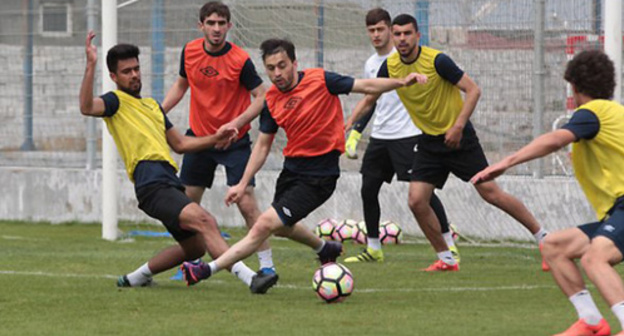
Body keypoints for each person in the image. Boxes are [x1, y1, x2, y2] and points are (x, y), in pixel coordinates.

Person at [178, 38, 428, 292]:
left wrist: (401, 82)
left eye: (282, 65)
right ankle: (324, 247)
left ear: (294, 63)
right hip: (292, 171)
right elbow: (263, 145)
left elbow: (365, 85)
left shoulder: (321, 80)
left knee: (264, 224)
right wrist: (242, 184)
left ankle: (206, 269)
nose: (278, 73)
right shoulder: (272, 100)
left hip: (320, 175)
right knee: (282, 228)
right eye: (271, 68)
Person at [347, 14, 548, 272]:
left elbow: (473, 90)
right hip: (429, 143)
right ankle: (447, 259)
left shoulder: (437, 60)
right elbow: (369, 98)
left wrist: (458, 126)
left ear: (418, 36)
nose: (402, 39)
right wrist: (348, 125)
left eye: (407, 33)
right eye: (397, 34)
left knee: (490, 194)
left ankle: (544, 239)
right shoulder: (391, 66)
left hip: (459, 139)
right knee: (417, 201)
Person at [79, 31, 276, 293]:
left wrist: (215, 138)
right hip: (151, 183)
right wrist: (91, 65)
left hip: (168, 182)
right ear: (114, 77)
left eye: (137, 68)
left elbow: (181, 144)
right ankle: (251, 278)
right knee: (205, 220)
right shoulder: (116, 102)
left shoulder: (152, 107)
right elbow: (86, 107)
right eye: (126, 71)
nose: (134, 75)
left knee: (195, 247)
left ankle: (136, 277)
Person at [472, 49, 624, 336]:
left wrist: (506, 163)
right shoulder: (613, 115)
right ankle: (592, 322)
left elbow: (555, 139)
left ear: (575, 87)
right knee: (554, 246)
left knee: (594, 257)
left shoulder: (592, 114)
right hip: (615, 212)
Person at [161, 1, 276, 276]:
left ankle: (267, 266)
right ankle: (191, 261)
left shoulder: (239, 60)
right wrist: (158, 112)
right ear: (201, 25)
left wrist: (236, 124)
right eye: (210, 23)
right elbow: (181, 84)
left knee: (247, 204)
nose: (216, 29)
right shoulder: (189, 51)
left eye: (221, 23)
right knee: (186, 207)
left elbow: (262, 96)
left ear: (229, 26)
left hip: (234, 143)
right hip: (199, 140)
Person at [344, 8, 458, 264]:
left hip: (408, 135)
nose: (376, 35)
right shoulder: (373, 64)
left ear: (391, 31)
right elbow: (371, 99)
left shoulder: (405, 58)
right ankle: (373, 248)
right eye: (371, 30)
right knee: (368, 188)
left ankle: (449, 242)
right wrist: (354, 128)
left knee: (422, 193)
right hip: (381, 136)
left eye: (381, 29)